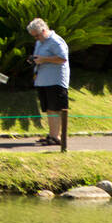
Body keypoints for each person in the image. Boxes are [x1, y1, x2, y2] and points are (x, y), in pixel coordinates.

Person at [28, 17, 69, 146]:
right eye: (34, 37)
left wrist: (44, 59)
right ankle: (52, 135)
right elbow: (39, 57)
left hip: (55, 80)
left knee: (55, 108)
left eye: (37, 36)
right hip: (42, 80)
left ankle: (56, 137)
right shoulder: (40, 42)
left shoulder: (55, 41)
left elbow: (62, 58)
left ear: (44, 30)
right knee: (49, 109)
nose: (36, 39)